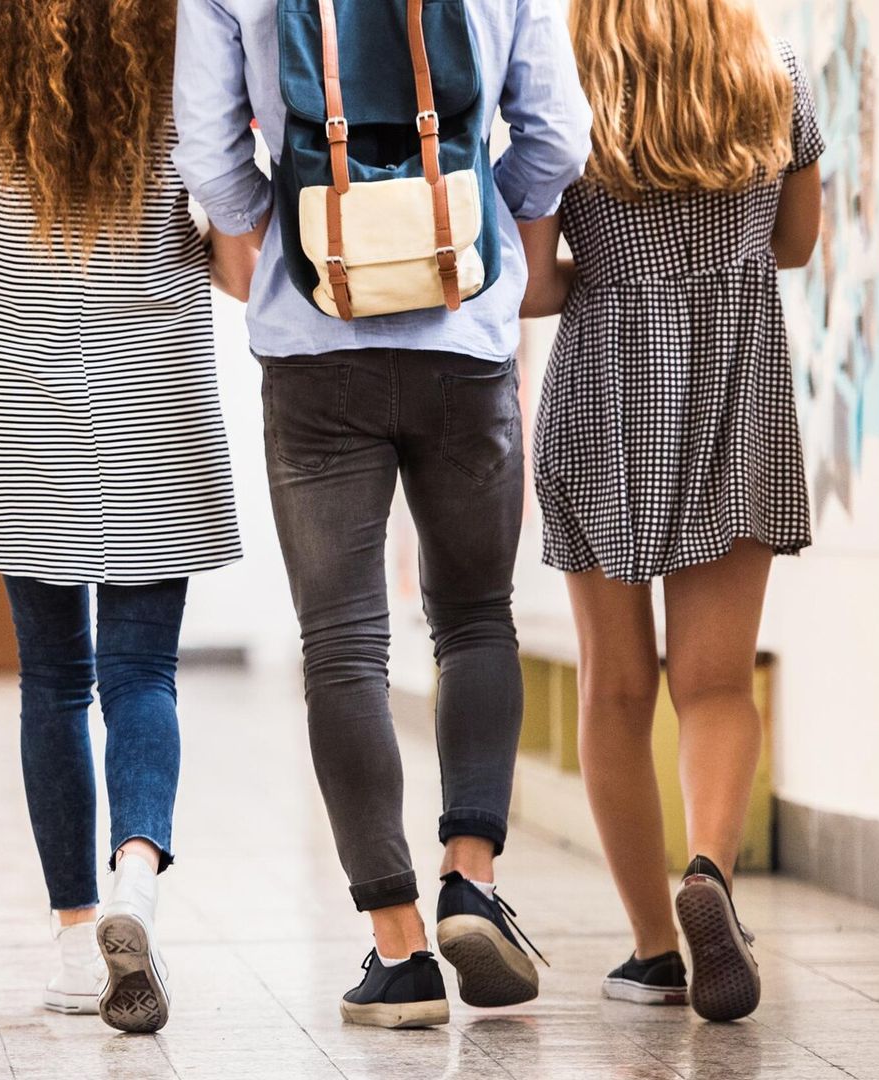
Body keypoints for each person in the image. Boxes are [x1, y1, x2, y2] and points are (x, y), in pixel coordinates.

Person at [175, 0, 591, 1028]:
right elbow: (558, 136)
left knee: (344, 648)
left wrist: (289, 229)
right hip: (466, 328)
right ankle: (471, 874)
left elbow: (208, 150)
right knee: (475, 616)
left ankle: (399, 950)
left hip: (316, 338)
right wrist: (473, 209)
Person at [0, 0, 241, 1036]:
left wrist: (14, 270)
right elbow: (235, 266)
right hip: (158, 388)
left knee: (52, 683)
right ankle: (136, 878)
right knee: (142, 673)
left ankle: (72, 936)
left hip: (22, 398)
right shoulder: (188, 43)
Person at [521, 0, 824, 1023]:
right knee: (716, 681)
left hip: (603, 397)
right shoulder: (777, 71)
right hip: (737, 392)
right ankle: (710, 876)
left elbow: (525, 287)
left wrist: (611, 271)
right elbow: (793, 245)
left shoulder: (561, 85)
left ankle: (656, 949)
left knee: (616, 687)